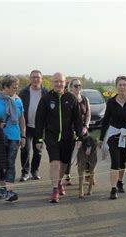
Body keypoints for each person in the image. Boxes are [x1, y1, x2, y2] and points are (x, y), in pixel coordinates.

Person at [35, 72, 83, 203]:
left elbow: (78, 120)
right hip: (52, 136)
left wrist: (79, 137)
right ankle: (55, 189)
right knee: (55, 162)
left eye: (61, 81)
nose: (58, 84)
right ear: (52, 82)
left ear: (65, 82)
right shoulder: (46, 98)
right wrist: (38, 139)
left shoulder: (71, 98)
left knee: (64, 164)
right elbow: (39, 120)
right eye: (56, 81)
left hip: (68, 137)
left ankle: (59, 182)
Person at [99, 76, 126, 200]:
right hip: (113, 134)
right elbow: (106, 120)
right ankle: (113, 189)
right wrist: (101, 138)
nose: (122, 87)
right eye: (120, 85)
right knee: (115, 161)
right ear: (116, 86)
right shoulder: (111, 102)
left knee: (123, 161)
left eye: (124, 85)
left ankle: (120, 181)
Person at [18, 70, 48, 182]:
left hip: (40, 128)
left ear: (41, 79)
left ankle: (35, 171)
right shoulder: (24, 92)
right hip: (26, 126)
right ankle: (25, 172)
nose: (35, 79)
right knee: (25, 149)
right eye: (33, 77)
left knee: (38, 150)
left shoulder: (46, 92)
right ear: (30, 79)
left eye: (38, 77)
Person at [63, 78, 91, 186]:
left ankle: (88, 174)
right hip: (70, 130)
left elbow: (88, 114)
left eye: (79, 85)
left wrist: (86, 127)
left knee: (87, 150)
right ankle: (67, 176)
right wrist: (73, 130)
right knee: (69, 153)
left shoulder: (85, 99)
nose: (78, 87)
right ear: (70, 87)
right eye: (75, 86)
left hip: (83, 129)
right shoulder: (67, 99)